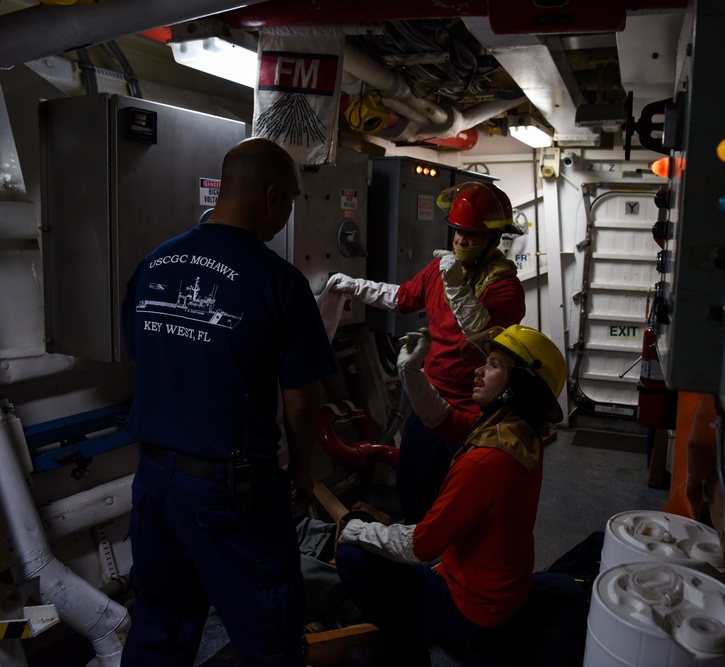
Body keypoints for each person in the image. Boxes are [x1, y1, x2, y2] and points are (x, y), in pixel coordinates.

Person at [120, 137, 336, 667]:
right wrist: (302, 469)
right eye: (289, 202)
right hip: (230, 493)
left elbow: (144, 355)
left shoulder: (153, 264)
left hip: (154, 484)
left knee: (159, 626)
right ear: (271, 197)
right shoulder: (279, 282)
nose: (287, 214)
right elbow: (302, 402)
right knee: (269, 633)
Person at [334, 324, 567, 666]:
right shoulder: (518, 434)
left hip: (471, 611)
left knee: (352, 558)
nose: (478, 370)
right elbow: (440, 417)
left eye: (495, 366)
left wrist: (357, 531)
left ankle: (406, 653)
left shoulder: (485, 462)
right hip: (502, 595)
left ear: (520, 387)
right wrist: (411, 370)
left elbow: (420, 546)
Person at [326, 182, 526, 522]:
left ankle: (446, 565)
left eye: (472, 235)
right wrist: (354, 286)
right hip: (428, 402)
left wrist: (457, 286)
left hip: (471, 412)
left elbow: (478, 333)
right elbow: (401, 298)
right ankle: (415, 555)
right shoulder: (440, 269)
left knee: (459, 499)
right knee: (412, 484)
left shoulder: (505, 287)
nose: (461, 241)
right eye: (457, 232)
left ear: (493, 238)